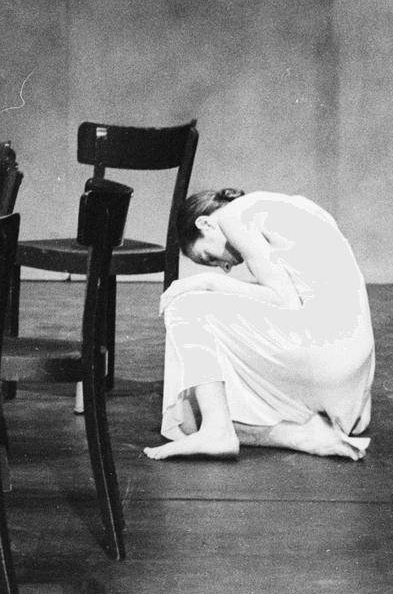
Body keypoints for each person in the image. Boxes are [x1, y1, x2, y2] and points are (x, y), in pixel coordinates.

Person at [142, 187, 374, 461]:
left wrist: (205, 281)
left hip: (324, 349)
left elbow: (284, 301)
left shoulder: (233, 215)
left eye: (209, 258)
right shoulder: (290, 205)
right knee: (205, 390)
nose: (224, 267)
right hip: (352, 374)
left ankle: (219, 429)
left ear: (205, 223)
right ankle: (293, 432)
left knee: (185, 304)